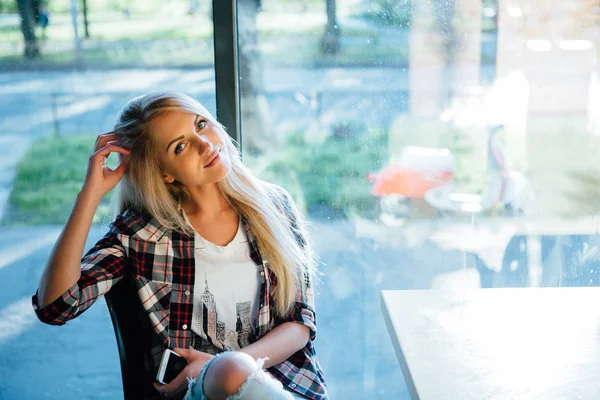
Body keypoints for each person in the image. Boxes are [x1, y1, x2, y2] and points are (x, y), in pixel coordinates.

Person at [32, 92, 327, 400]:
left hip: (283, 384)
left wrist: (224, 365)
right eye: (181, 146)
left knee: (231, 368)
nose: (205, 144)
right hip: (192, 392)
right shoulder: (141, 236)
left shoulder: (275, 207)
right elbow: (56, 307)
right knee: (229, 369)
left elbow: (300, 323)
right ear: (164, 173)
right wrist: (89, 195)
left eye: (201, 124)